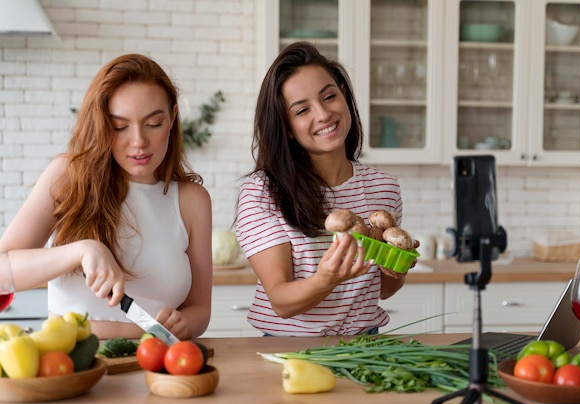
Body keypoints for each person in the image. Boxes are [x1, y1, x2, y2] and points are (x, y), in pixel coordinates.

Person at [0, 54, 213, 340]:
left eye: (153, 123)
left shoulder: (193, 200)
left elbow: (200, 308)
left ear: (173, 118)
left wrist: (184, 323)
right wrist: (83, 250)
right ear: (101, 124)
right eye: (120, 126)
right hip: (71, 363)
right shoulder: (68, 176)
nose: (138, 141)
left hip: (156, 363)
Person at [235, 42, 415, 336]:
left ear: (344, 96)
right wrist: (326, 279)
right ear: (287, 126)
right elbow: (281, 301)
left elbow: (383, 290)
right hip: (289, 349)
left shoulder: (384, 188)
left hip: (364, 345)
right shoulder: (264, 192)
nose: (323, 114)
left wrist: (398, 266)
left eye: (329, 96)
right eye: (302, 109)